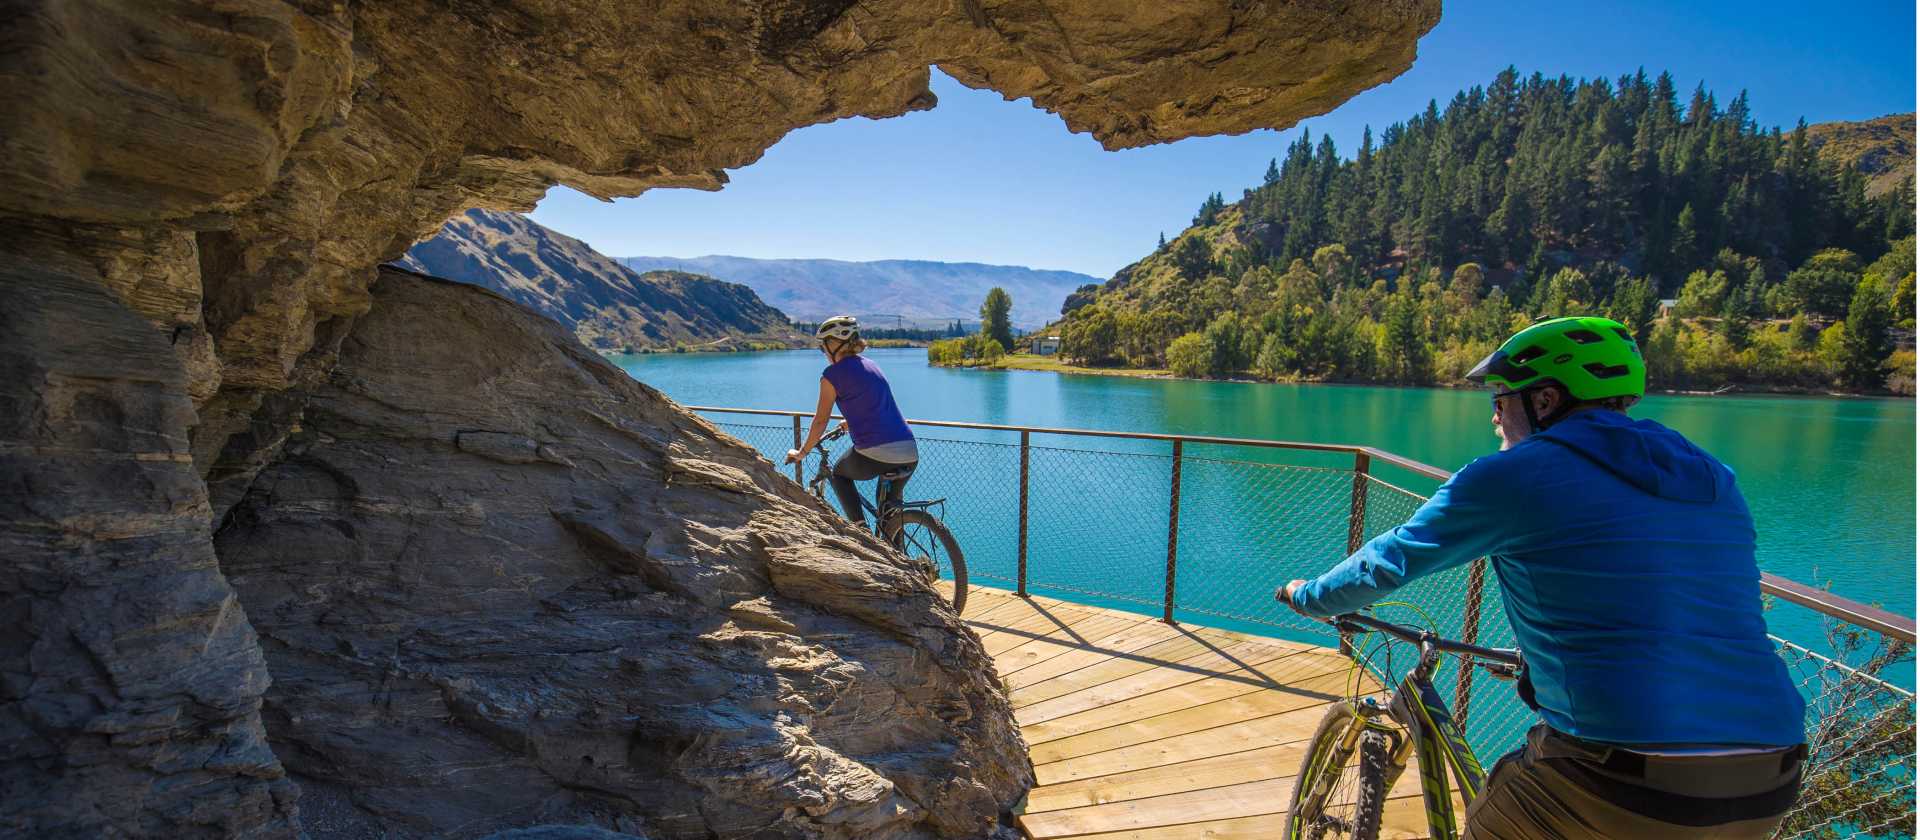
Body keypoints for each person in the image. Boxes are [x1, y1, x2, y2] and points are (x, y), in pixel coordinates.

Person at [1279, 315, 1807, 839]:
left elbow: (1387, 562)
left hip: (1616, 769)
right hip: (1772, 766)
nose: (1494, 418)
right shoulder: (1712, 475)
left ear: (1546, 401)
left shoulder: (1514, 477)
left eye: (1500, 400)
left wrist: (1310, 597)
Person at [785, 316, 918, 529]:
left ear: (834, 344)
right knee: (888, 514)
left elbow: (820, 421)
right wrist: (849, 421)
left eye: (823, 347)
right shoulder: (872, 365)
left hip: (877, 452)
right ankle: (897, 551)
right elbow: (875, 404)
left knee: (838, 475)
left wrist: (802, 453)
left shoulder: (831, 375)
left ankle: (861, 532)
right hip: (909, 450)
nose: (824, 353)